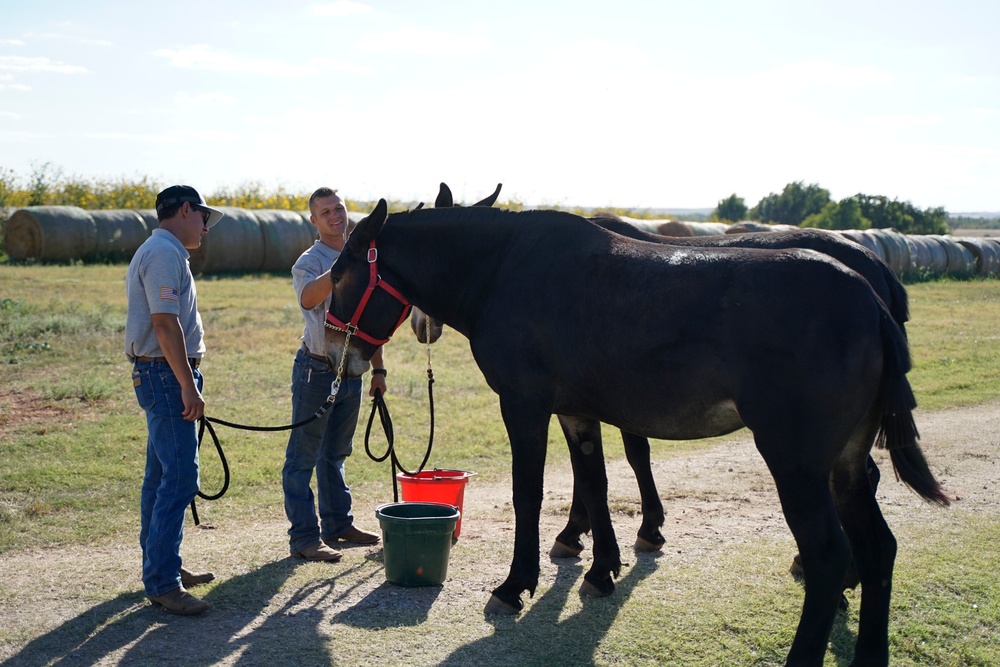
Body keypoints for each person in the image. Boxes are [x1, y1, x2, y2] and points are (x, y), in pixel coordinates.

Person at [125, 185, 224, 616]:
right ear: (184, 210)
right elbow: (165, 326)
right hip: (166, 374)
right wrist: (188, 384)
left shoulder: (162, 250)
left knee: (160, 478)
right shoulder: (164, 254)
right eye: (202, 217)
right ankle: (163, 582)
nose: (205, 227)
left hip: (160, 373)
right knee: (180, 479)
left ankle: (162, 568)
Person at [282, 187, 385, 561]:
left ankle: (339, 525)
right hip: (316, 370)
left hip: (352, 370)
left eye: (338, 208)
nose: (334, 216)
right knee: (302, 458)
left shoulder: (364, 256)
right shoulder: (309, 261)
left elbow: (369, 318)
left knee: (336, 453)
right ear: (314, 220)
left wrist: (379, 369)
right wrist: (342, 267)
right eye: (325, 212)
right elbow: (308, 297)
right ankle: (305, 539)